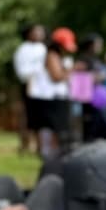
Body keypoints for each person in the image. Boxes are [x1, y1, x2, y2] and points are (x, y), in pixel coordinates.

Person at [29, 29, 74, 160]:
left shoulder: (57, 56)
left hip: (56, 99)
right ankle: (49, 157)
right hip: (49, 99)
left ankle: (54, 156)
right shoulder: (51, 55)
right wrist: (71, 70)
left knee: (58, 131)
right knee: (51, 130)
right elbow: (56, 76)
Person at [12, 24, 46, 154]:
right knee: (27, 116)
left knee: (41, 117)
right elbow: (22, 71)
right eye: (37, 31)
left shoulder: (43, 48)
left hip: (43, 87)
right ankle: (25, 144)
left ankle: (40, 145)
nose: (40, 33)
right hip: (30, 85)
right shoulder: (23, 50)